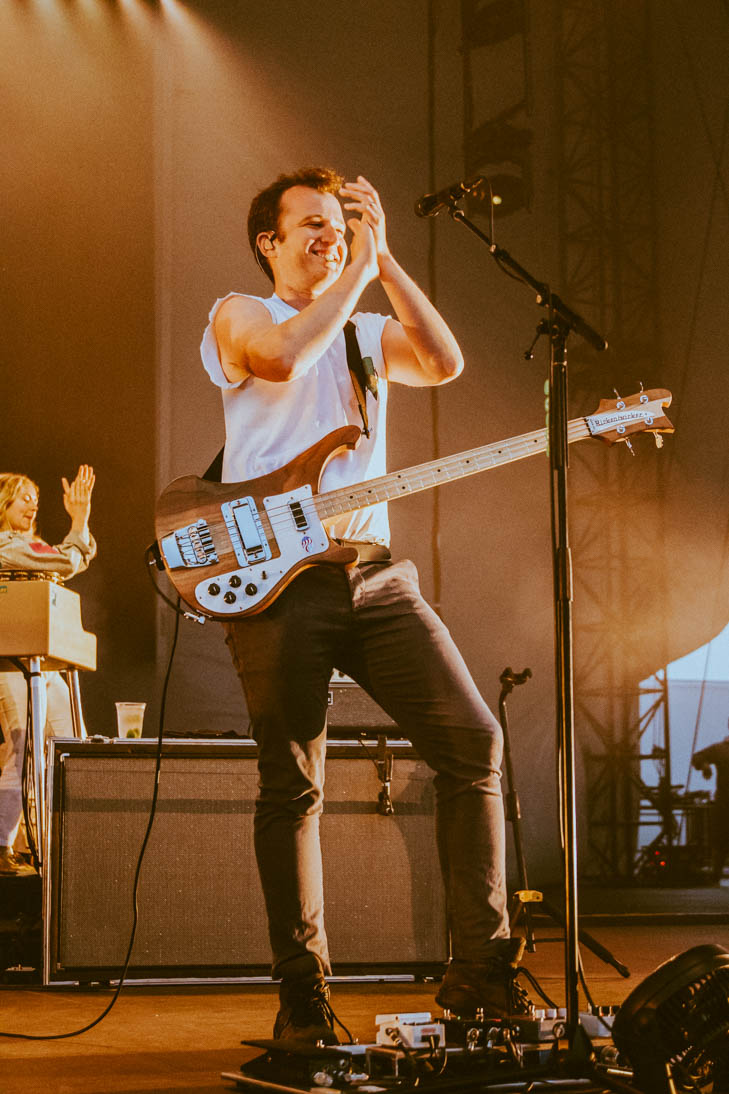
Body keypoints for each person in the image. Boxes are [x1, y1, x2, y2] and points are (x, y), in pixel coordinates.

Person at [200, 167, 528, 1043]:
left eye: (339, 225)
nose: (329, 234)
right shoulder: (239, 313)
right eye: (310, 223)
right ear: (268, 241)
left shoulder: (364, 329)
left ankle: (479, 971)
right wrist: (352, 274)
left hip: (375, 574)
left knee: (473, 742)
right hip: (279, 583)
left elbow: (445, 364)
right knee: (292, 782)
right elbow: (281, 359)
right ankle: (303, 998)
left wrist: (382, 260)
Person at [0, 466, 96, 876]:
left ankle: (46, 841)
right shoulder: (6, 545)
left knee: (68, 744)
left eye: (36, 499)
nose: (33, 504)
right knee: (23, 746)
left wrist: (80, 524)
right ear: (3, 502)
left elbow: (71, 558)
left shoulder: (30, 546)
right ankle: (2, 843)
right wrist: (80, 519)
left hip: (45, 661)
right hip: (13, 662)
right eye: (25, 496)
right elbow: (67, 560)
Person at [692, 722, 729, 882]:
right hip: (724, 803)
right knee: (721, 841)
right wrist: (705, 765)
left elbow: (698, 757)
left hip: (724, 802)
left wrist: (705, 765)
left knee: (721, 841)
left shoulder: (720, 749)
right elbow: (697, 757)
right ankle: (715, 875)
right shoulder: (720, 749)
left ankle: (715, 876)